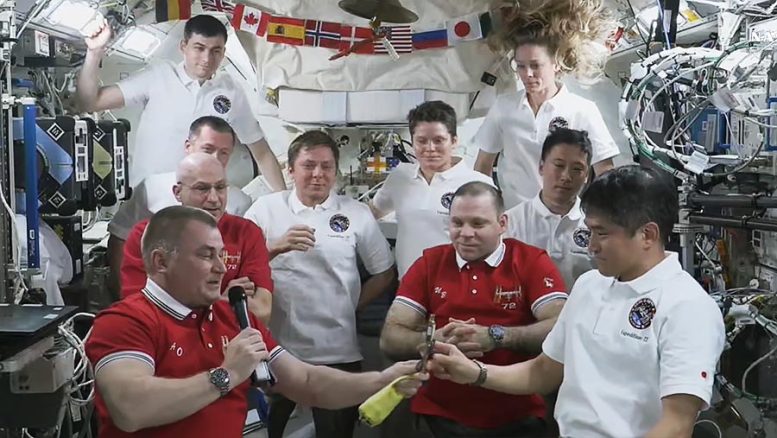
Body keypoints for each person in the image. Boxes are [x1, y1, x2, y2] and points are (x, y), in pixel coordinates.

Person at [426, 166, 726, 438]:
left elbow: (676, 426)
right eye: (590, 231)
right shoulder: (589, 286)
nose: (591, 246)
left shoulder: (686, 307)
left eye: (602, 233)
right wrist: (474, 372)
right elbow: (544, 371)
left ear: (647, 234)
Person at [85, 205, 425, 437]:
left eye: (221, 254)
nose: (221, 267)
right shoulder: (125, 321)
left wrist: (382, 380)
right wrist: (228, 374)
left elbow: (306, 381)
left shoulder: (231, 317)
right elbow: (130, 408)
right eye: (205, 255)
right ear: (160, 261)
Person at [380, 181, 567, 437]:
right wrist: (434, 340)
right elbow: (390, 338)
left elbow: (560, 327)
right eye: (457, 223)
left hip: (516, 414)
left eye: (478, 223)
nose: (465, 233)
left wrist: (496, 337)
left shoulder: (530, 261)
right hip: (437, 414)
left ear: (502, 223)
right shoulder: (430, 263)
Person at [244, 131, 397, 438]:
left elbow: (384, 272)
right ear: (291, 170)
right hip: (276, 351)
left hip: (338, 353)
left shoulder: (355, 214)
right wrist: (273, 247)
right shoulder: (265, 209)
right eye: (308, 165)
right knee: (272, 432)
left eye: (326, 166)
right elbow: (238, 269)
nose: (318, 174)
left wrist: (351, 305)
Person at [77, 14, 285, 190]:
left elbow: (262, 152)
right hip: (149, 200)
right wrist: (94, 53)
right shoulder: (157, 77)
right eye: (199, 48)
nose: (206, 58)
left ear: (223, 53)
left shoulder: (230, 91)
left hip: (201, 202)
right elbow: (91, 102)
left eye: (216, 51)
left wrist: (283, 202)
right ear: (183, 46)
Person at [472, 0, 619, 209]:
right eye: (520, 66)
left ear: (556, 63)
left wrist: (595, 217)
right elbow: (482, 167)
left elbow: (604, 171)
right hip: (515, 221)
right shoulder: (504, 107)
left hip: (565, 223)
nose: (527, 74)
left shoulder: (582, 110)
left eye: (535, 65)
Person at [105, 116, 252, 298]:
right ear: (188, 146)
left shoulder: (240, 203)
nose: (215, 158)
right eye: (208, 149)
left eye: (223, 152)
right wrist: (123, 294)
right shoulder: (151, 189)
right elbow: (120, 236)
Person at [120, 153, 272, 323]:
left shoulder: (246, 232)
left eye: (220, 187)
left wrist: (180, 299)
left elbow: (262, 312)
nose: (214, 199)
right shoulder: (147, 234)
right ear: (178, 192)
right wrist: (223, 299)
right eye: (202, 189)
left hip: (232, 344)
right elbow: (140, 310)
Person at [370, 101, 493, 278]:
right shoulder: (400, 177)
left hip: (459, 289)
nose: (430, 149)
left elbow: (494, 243)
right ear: (412, 142)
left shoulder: (478, 184)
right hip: (408, 289)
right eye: (421, 141)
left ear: (454, 141)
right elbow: (373, 211)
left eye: (438, 140)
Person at [505, 128, 595, 289]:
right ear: (541, 166)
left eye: (577, 169)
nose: (566, 176)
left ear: (587, 175)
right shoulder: (511, 222)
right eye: (559, 165)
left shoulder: (597, 226)